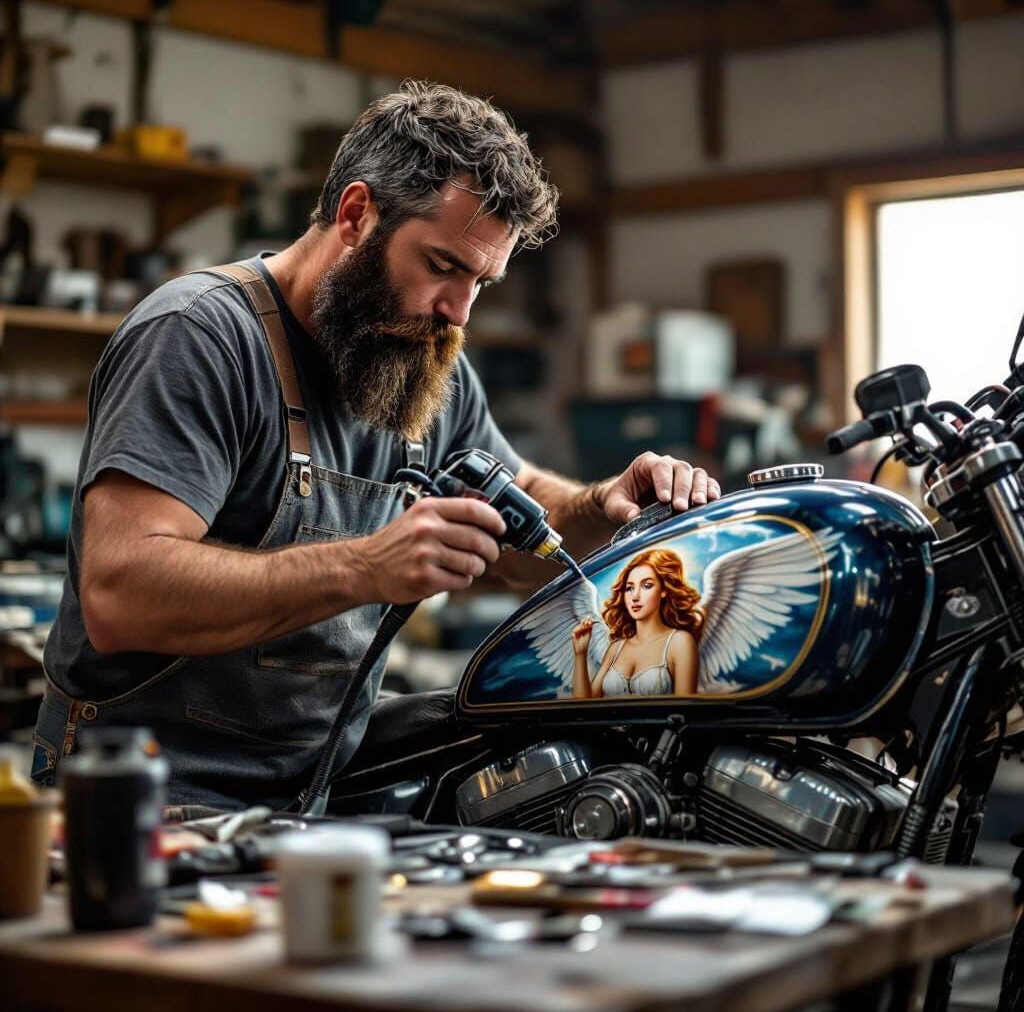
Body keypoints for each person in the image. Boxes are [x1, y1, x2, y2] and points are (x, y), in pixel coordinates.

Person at [32, 81, 720, 813]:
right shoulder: (199, 335)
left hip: (315, 791)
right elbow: (119, 593)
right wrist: (366, 566)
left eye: (481, 281)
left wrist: (599, 505)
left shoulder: (417, 358)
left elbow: (520, 530)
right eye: (443, 266)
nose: (459, 312)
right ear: (357, 215)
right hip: (144, 794)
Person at [571, 549, 702, 698]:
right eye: (629, 588)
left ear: (664, 590)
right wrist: (580, 654)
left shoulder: (679, 641)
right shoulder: (616, 649)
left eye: (647, 586)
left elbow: (685, 712)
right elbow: (584, 708)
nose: (635, 596)